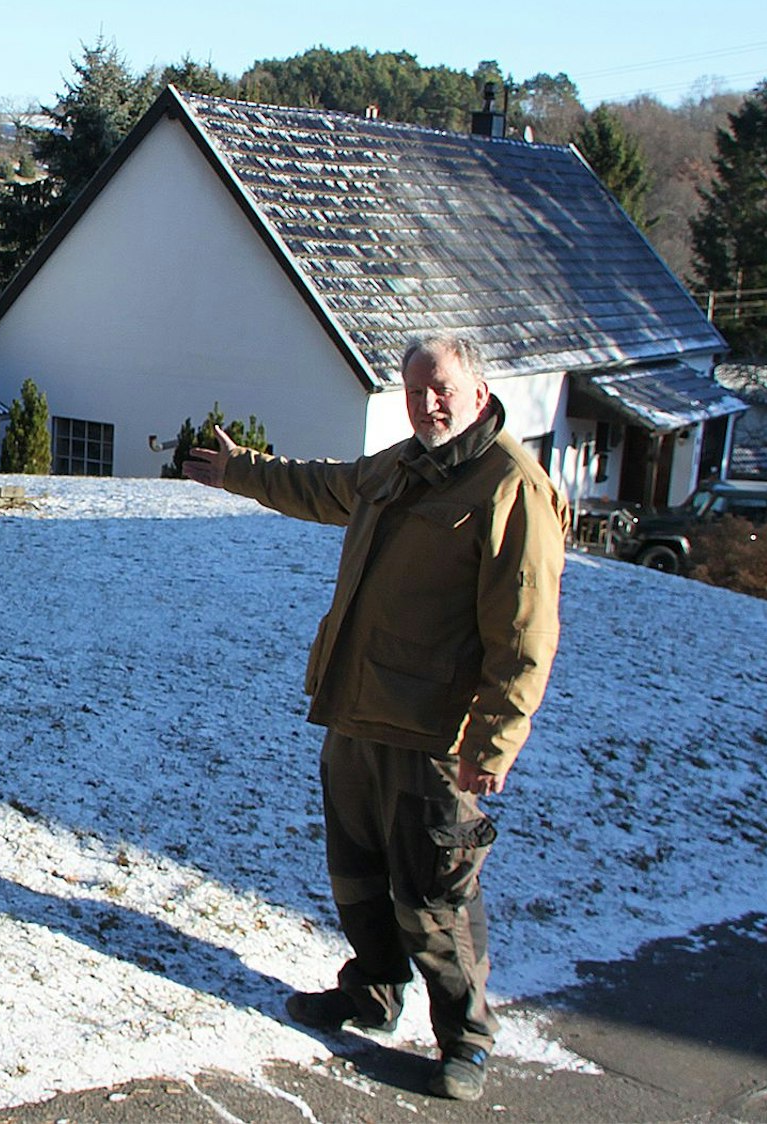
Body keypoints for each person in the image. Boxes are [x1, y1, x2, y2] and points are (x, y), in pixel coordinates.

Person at [181, 334, 567, 1101]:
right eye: (415, 389)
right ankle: (372, 992)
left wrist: (493, 741)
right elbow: (325, 486)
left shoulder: (508, 487)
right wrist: (240, 471)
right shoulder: (398, 465)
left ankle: (465, 1038)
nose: (428, 403)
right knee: (355, 874)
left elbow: (525, 634)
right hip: (356, 710)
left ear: (478, 393)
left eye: (442, 389)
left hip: (432, 732)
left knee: (433, 892)